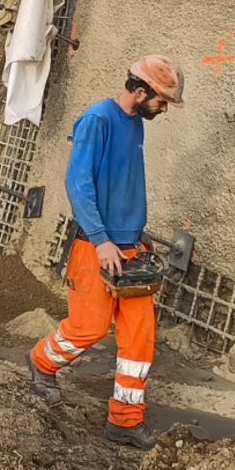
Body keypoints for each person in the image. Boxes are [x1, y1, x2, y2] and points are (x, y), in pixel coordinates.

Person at [27, 54, 185, 449]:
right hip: (93, 247)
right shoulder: (97, 120)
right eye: (161, 100)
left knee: (139, 338)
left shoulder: (133, 125)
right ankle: (41, 363)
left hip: (129, 248)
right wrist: (101, 240)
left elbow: (122, 183)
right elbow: (79, 184)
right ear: (140, 90)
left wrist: (135, 231)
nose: (163, 109)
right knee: (88, 329)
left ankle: (125, 421)